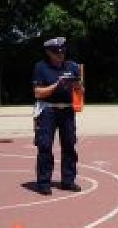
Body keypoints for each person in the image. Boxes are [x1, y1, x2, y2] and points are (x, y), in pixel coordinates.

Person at [31, 37, 83, 195]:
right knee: (45, 146)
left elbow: (80, 91)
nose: (60, 55)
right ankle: (43, 183)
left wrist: (77, 87)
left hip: (67, 110)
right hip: (48, 110)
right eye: (56, 52)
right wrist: (56, 85)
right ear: (48, 52)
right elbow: (37, 92)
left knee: (69, 145)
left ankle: (68, 181)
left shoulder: (73, 66)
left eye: (62, 51)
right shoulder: (41, 67)